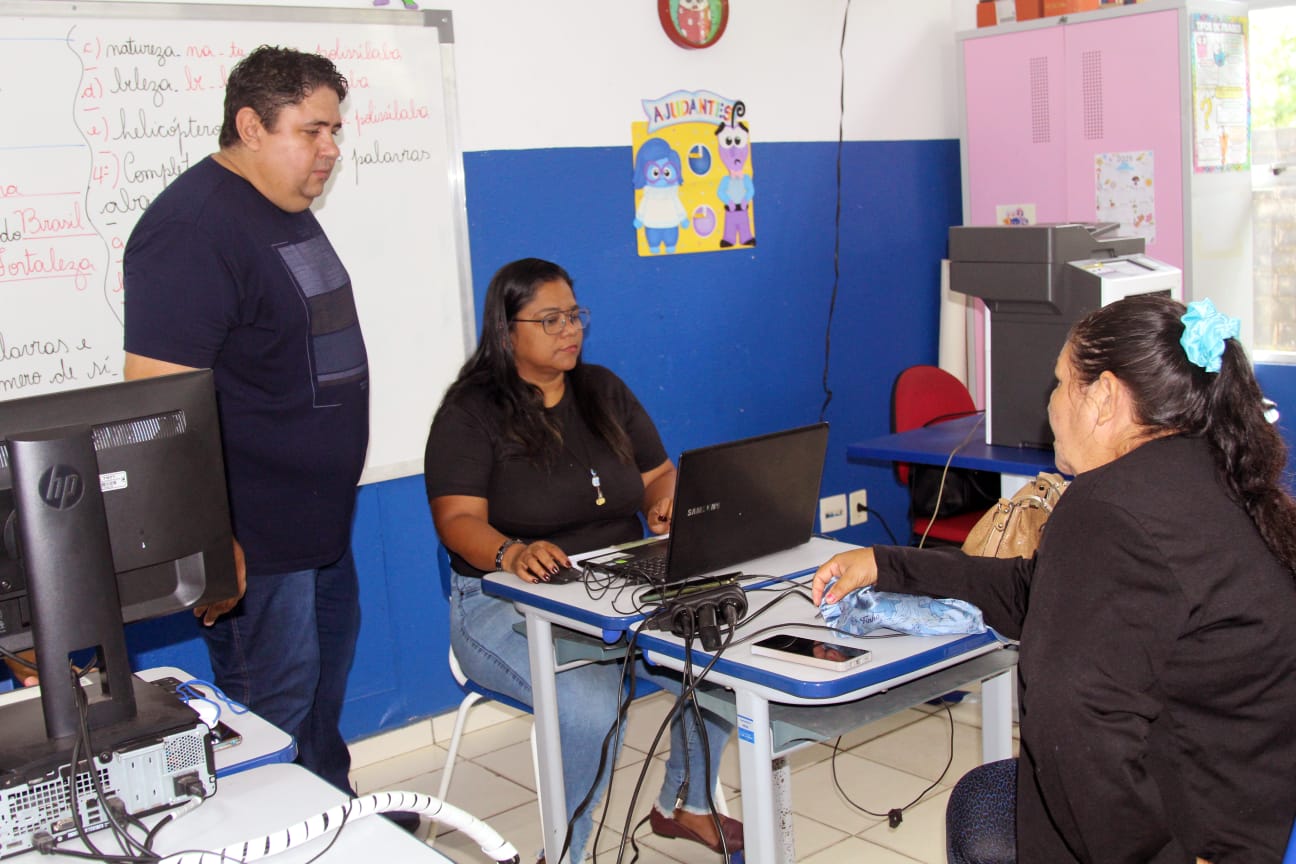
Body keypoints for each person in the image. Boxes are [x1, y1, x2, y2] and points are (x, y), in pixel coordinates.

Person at [813, 294, 1296, 863]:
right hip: (1247, 806)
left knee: (984, 806)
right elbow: (1034, 591)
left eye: (1062, 383)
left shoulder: (1110, 509)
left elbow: (1076, 733)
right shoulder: (1221, 471)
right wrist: (889, 563)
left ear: (1106, 397)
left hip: (1186, 834)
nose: (1052, 404)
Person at [424, 257, 743, 861]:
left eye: (574, 315)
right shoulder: (470, 414)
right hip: (502, 603)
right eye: (550, 319)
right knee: (592, 705)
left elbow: (658, 475)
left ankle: (686, 805)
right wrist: (509, 551)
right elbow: (456, 521)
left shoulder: (603, 391)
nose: (570, 329)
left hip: (618, 581)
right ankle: (565, 853)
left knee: (723, 659)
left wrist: (665, 505)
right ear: (506, 330)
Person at [121, 47, 371, 802]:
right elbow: (158, 405)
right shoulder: (193, 227)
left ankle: (333, 828)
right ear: (251, 126)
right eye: (313, 130)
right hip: (255, 541)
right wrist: (208, 534)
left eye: (336, 130)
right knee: (273, 717)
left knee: (320, 710)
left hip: (318, 526)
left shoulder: (284, 208)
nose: (331, 148)